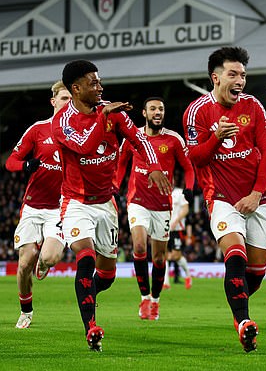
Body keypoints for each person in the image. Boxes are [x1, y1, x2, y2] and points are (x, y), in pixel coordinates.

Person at [52, 59, 171, 351]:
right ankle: (91, 328)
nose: (100, 87)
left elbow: (139, 140)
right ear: (76, 89)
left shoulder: (113, 113)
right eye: (93, 83)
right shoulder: (62, 122)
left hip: (106, 204)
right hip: (76, 202)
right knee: (86, 257)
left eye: (99, 81)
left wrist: (153, 165)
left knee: (106, 276)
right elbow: (83, 147)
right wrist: (103, 115)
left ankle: (88, 293)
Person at [182, 46, 266, 352]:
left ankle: (239, 312)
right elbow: (196, 158)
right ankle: (244, 323)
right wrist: (216, 138)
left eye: (243, 75)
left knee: (257, 275)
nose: (241, 80)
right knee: (235, 254)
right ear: (216, 77)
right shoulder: (196, 111)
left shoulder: (254, 106)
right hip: (220, 196)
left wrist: (257, 192)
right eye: (233, 74)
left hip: (257, 198)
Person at [114, 97, 195, 321]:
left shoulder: (173, 139)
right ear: (144, 113)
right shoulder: (133, 138)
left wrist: (189, 188)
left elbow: (188, 167)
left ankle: (156, 300)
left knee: (159, 259)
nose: (157, 112)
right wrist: (115, 186)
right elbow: (121, 164)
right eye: (153, 108)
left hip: (162, 205)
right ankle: (144, 298)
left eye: (161, 108)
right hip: (137, 202)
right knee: (139, 246)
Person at [5, 80, 72, 329]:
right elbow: (11, 161)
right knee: (24, 264)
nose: (68, 104)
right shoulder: (38, 129)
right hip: (33, 207)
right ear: (53, 101)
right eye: (63, 99)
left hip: (60, 207)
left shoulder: (80, 133)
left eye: (71, 100)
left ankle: (43, 264)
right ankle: (26, 311)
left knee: (51, 257)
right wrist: (25, 165)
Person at [163, 185, 193, 290]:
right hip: (165, 229)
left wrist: (176, 221)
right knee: (164, 255)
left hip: (177, 230)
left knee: (176, 256)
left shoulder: (179, 193)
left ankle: (188, 276)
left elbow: (185, 209)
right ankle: (166, 282)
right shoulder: (162, 192)